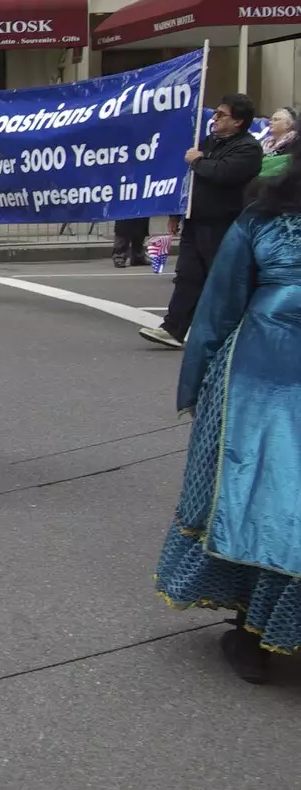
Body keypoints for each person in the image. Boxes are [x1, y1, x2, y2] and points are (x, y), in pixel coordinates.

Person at [155, 137, 301, 683]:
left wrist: (193, 387)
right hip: (263, 373)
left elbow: (219, 310)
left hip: (258, 374)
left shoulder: (263, 220)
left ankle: (253, 631)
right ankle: (258, 630)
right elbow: (217, 308)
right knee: (264, 496)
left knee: (256, 495)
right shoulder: (260, 219)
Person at [141, 94, 264, 350]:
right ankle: (173, 329)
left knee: (221, 280)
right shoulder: (209, 143)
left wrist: (197, 160)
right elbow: (190, 178)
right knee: (188, 276)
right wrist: (176, 212)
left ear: (239, 121)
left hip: (223, 223)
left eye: (222, 115)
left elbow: (223, 173)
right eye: (216, 114)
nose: (215, 119)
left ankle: (239, 332)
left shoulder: (248, 148)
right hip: (196, 220)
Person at [260, 106, 295, 178]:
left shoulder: (294, 143)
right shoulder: (264, 143)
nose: (270, 122)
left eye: (275, 120)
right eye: (271, 119)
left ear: (287, 125)